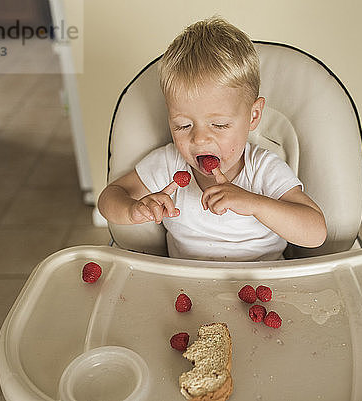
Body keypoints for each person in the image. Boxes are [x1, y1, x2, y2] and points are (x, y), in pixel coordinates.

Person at [98, 17, 326, 261]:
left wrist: (254, 203)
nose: (200, 139)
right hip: (188, 287)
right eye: (183, 125)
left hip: (262, 284)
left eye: (219, 125)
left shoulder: (262, 170)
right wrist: (133, 210)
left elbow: (315, 232)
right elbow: (110, 198)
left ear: (253, 116)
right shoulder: (169, 165)